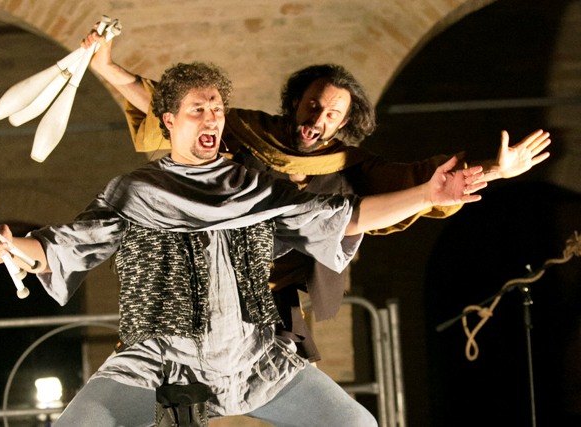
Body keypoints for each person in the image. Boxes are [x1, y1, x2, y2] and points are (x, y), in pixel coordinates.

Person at [0, 61, 485, 426]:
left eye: (217, 108)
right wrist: (13, 247)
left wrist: (427, 194)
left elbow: (345, 218)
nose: (212, 119)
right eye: (198, 109)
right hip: (158, 361)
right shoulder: (137, 191)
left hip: (251, 358)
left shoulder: (255, 189)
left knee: (355, 423)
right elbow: (66, 245)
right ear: (169, 121)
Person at [82, 32, 551, 362]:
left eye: (331, 114)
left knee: (285, 383)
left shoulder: (350, 166)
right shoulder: (249, 131)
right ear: (296, 103)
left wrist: (495, 169)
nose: (317, 120)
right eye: (312, 106)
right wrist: (106, 67)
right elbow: (167, 106)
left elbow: (427, 181)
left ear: (344, 122)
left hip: (273, 296)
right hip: (211, 274)